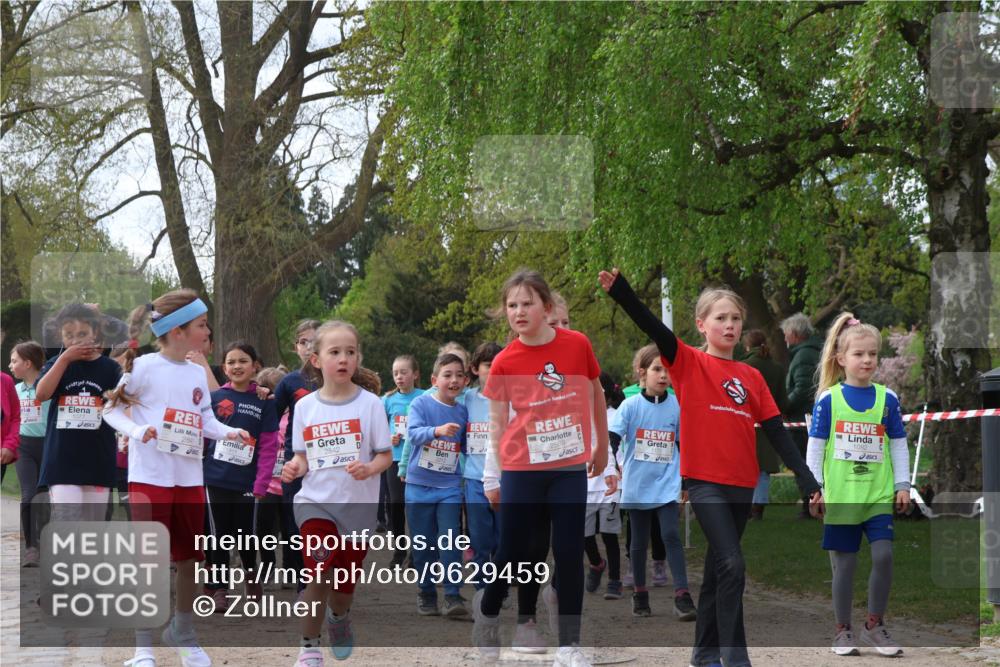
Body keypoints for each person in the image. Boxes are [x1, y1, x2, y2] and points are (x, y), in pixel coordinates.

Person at [599, 268, 820, 667]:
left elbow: (777, 433)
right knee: (734, 564)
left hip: (742, 485)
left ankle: (702, 656)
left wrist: (808, 481)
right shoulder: (688, 362)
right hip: (705, 485)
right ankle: (736, 659)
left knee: (721, 572)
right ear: (702, 324)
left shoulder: (751, 376)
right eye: (721, 318)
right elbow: (653, 327)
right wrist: (623, 293)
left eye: (735, 318)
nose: (730, 325)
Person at [473, 269, 616, 667]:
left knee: (570, 552)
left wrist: (601, 447)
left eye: (526, 303)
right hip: (521, 469)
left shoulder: (577, 345)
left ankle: (569, 646)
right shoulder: (503, 362)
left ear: (546, 308)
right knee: (513, 551)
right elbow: (498, 425)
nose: (518, 311)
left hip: (568, 467)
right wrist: (501, 474)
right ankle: (487, 613)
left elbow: (596, 394)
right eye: (511, 305)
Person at [104, 291, 250, 667]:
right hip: (149, 478)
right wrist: (138, 433)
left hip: (189, 480)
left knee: (190, 560)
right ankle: (142, 649)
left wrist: (230, 433)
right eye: (202, 325)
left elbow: (205, 420)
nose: (207, 331)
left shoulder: (195, 373)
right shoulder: (145, 367)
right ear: (178, 330)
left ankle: (184, 634)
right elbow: (111, 410)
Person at [280, 320, 392, 666]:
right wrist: (295, 467)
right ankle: (309, 646)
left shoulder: (371, 404)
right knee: (318, 570)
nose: (343, 359)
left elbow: (385, 455)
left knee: (342, 589)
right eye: (334, 352)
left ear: (357, 358)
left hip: (357, 510)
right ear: (316, 360)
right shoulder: (305, 407)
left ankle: (339, 619)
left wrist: (369, 468)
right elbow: (301, 455)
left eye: (350, 352)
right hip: (315, 504)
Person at [807, 313, 909, 658]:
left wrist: (903, 484)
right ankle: (843, 630)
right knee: (845, 566)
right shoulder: (829, 400)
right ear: (841, 359)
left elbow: (898, 444)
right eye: (859, 354)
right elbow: (815, 448)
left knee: (884, 555)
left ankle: (874, 625)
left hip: (878, 496)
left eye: (873, 354)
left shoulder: (887, 399)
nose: (867, 360)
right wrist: (814, 488)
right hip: (842, 497)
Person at [611, 344, 696, 620]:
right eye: (657, 369)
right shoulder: (630, 405)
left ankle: (682, 595)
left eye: (667, 370)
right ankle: (640, 592)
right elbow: (613, 438)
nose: (663, 376)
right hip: (638, 483)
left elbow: (685, 445)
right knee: (638, 541)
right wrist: (610, 467)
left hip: (667, 482)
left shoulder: (677, 405)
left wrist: (685, 482)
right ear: (642, 373)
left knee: (670, 534)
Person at [202, 342, 280, 611]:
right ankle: (220, 588)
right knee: (218, 535)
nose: (237, 366)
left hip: (247, 481)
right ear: (224, 367)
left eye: (243, 361)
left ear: (255, 365)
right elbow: (202, 437)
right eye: (231, 362)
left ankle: (251, 575)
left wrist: (262, 481)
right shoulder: (213, 398)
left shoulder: (263, 401)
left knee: (245, 534)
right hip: (215, 478)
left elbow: (270, 446)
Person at [35, 304, 122, 523]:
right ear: (60, 337)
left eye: (82, 334)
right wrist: (64, 359)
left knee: (92, 526)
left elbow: (122, 406)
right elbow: (42, 394)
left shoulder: (111, 368)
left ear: (96, 333)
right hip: (61, 461)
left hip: (97, 459)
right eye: (69, 335)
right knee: (67, 520)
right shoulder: (56, 364)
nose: (75, 340)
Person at [400, 353, 469, 617]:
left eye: (459, 375)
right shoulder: (420, 403)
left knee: (450, 541)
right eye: (447, 375)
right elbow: (413, 434)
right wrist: (436, 431)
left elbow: (468, 445)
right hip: (418, 485)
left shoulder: (462, 411)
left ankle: (452, 595)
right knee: (423, 544)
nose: (454, 380)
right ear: (434, 380)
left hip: (450, 486)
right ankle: (426, 591)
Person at [275, 319, 321, 591]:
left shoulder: (337, 377)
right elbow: (272, 418)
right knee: (298, 524)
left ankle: (328, 580)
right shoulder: (290, 381)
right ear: (296, 347)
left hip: (331, 462)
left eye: (314, 341)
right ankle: (305, 584)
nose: (308, 347)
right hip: (297, 461)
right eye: (303, 342)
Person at [462, 342, 502, 602]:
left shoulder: (512, 397)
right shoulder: (466, 398)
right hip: (474, 479)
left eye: (500, 364)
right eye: (489, 365)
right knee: (479, 538)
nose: (495, 369)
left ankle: (500, 588)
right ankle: (481, 589)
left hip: (506, 479)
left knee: (503, 539)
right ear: (475, 369)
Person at [9, 341, 51, 565]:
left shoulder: (48, 387)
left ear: (27, 363)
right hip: (23, 446)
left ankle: (44, 542)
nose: (10, 365)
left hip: (47, 444)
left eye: (14, 361)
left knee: (43, 497)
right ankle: (31, 547)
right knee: (28, 494)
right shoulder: (14, 391)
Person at [583, 372, 624, 601]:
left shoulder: (615, 415)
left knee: (609, 534)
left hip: (610, 484)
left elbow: (619, 447)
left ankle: (615, 580)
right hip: (585, 484)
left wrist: (618, 470)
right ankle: (597, 563)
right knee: (585, 535)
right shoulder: (578, 414)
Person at [740, 330, 788, 521]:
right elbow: (782, 400)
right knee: (763, 468)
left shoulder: (743, 367)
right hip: (769, 422)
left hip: (745, 422)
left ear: (747, 346)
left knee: (745, 465)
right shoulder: (777, 368)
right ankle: (758, 508)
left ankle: (745, 507)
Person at [382, 354, 424, 566]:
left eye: (404, 372)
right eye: (396, 373)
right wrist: (388, 438)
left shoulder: (424, 397)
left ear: (415, 374)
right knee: (396, 505)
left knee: (415, 505)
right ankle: (399, 552)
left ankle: (417, 554)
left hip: (418, 459)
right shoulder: (388, 400)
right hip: (395, 459)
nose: (399, 376)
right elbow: (378, 428)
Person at [781, 313, 823, 519]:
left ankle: (809, 505)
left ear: (796, 334)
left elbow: (803, 388)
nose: (785, 339)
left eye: (786, 334)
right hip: (809, 417)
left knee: (803, 464)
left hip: (802, 420)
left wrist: (784, 405)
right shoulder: (814, 352)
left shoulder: (804, 356)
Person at [254, 365, 289, 584]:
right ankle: (266, 569)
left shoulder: (293, 414)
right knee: (263, 530)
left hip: (288, 482)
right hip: (266, 483)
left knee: (289, 531)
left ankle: (289, 570)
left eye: (271, 390)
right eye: (262, 390)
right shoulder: (258, 414)